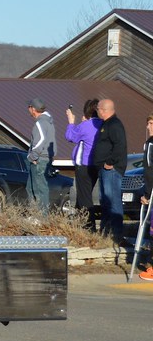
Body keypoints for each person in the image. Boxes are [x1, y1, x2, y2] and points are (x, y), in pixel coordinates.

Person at [90, 98, 127, 243]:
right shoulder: (106, 124)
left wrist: (110, 162)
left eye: (98, 109)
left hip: (111, 170)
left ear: (104, 110)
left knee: (113, 201)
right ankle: (104, 234)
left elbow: (120, 146)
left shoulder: (115, 124)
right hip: (103, 169)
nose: (97, 111)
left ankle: (117, 235)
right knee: (105, 201)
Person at [65, 98, 101, 228]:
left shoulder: (85, 126)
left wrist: (71, 121)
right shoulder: (102, 125)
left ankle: (88, 226)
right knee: (84, 195)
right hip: (96, 166)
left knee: (84, 196)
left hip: (83, 165)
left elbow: (70, 136)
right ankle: (80, 223)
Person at [26, 98, 56, 214]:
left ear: (33, 109)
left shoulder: (40, 123)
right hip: (43, 158)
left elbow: (40, 141)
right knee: (31, 188)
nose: (28, 110)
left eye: (29, 108)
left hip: (39, 159)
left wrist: (33, 156)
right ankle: (35, 213)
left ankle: (41, 216)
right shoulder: (47, 121)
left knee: (38, 189)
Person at [137, 114, 153, 281]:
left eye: (151, 123)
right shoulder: (149, 143)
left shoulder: (151, 144)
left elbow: (150, 171)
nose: (148, 127)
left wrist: (148, 194)